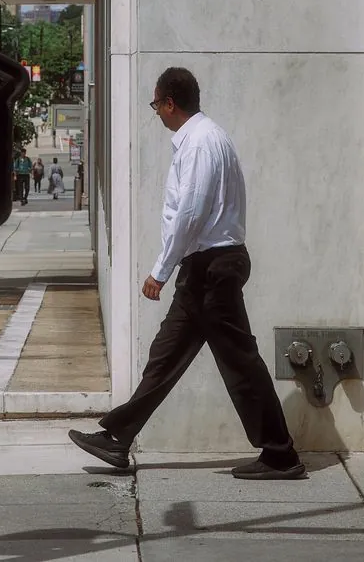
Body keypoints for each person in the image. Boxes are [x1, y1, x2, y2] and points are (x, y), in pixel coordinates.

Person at [68, 66, 304, 480]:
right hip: (208, 268)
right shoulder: (207, 137)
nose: (156, 112)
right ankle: (118, 438)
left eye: (156, 104)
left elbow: (190, 213)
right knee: (165, 356)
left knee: (241, 363)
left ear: (170, 103)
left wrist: (160, 270)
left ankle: (281, 455)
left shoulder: (199, 143)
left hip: (211, 268)